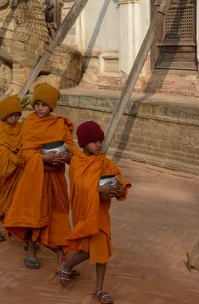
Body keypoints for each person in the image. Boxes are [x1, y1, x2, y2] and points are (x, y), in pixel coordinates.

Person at [4, 83, 77, 270]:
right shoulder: (29, 123)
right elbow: (25, 152)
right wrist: (42, 157)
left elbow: (71, 148)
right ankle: (31, 251)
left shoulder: (60, 123)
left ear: (51, 106)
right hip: (34, 177)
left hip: (56, 178)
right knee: (32, 214)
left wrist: (68, 157)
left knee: (58, 215)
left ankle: (61, 256)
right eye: (37, 104)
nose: (39, 108)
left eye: (44, 105)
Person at [58, 121, 131, 303]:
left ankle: (99, 289)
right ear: (83, 144)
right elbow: (81, 185)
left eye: (100, 141)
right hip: (84, 212)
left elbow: (118, 178)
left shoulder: (104, 162)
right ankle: (66, 265)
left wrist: (121, 190)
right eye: (93, 142)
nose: (98, 145)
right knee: (85, 252)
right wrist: (99, 190)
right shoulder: (77, 162)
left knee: (102, 252)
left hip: (100, 214)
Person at [0, 96, 24, 243]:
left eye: (16, 115)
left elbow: (26, 144)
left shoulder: (22, 128)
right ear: (4, 116)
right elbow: (2, 150)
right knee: (1, 198)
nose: (14, 118)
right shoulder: (1, 130)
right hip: (5, 171)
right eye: (10, 115)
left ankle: (18, 229)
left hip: (19, 171)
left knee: (18, 201)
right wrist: (16, 160)